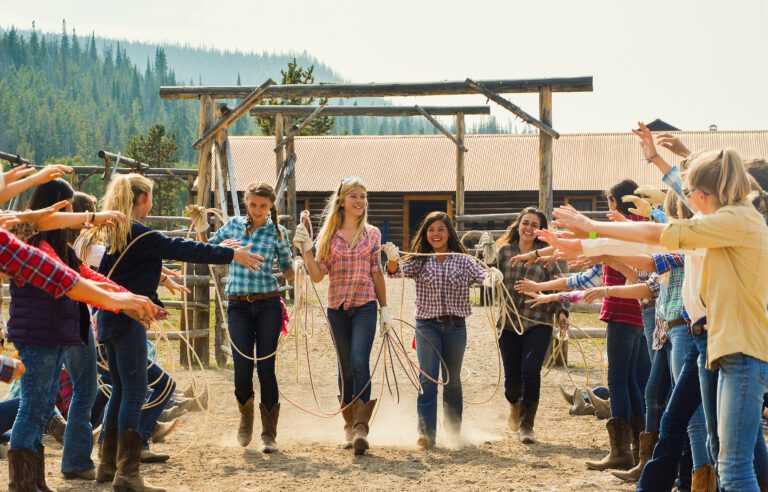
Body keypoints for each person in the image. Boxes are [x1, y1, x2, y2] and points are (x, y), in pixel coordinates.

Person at [543, 146, 768, 491]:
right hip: (722, 345)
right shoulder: (724, 223)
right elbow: (655, 243)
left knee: (735, 466)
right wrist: (588, 242)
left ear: (708, 194)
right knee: (721, 452)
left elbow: (657, 236)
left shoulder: (734, 221)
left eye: (692, 193)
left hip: (736, 348)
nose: (687, 200)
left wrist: (589, 229)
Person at [81, 173, 263, 491]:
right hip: (126, 322)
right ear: (141, 200)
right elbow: (183, 248)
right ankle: (127, 473)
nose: (151, 203)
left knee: (122, 392)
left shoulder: (118, 234)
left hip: (111, 320)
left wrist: (151, 300)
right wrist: (230, 254)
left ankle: (108, 466)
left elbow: (128, 276)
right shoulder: (140, 234)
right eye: (149, 197)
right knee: (135, 393)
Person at [383, 212, 500, 448]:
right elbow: (394, 272)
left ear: (449, 233)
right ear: (426, 234)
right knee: (427, 378)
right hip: (427, 326)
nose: (436, 234)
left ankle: (453, 431)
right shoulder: (420, 260)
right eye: (431, 230)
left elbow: (482, 276)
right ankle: (427, 433)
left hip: (456, 326)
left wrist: (492, 274)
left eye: (440, 229)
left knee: (452, 380)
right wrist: (393, 259)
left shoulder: (463, 260)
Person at [294, 176, 390, 456]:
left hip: (365, 306)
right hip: (337, 308)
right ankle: (348, 423)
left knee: (360, 360)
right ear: (342, 200)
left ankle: (361, 426)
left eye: (362, 196)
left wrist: (385, 309)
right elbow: (317, 275)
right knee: (345, 365)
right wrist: (306, 249)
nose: (360, 201)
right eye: (354, 196)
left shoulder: (372, 234)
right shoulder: (329, 235)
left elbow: (376, 271)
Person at [209, 182, 294, 453]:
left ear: (270, 207)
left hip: (268, 303)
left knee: (266, 367)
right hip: (238, 305)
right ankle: (246, 418)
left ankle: (269, 433)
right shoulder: (233, 226)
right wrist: (216, 240)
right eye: (253, 204)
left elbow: (288, 271)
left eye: (263, 206)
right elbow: (206, 248)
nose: (258, 210)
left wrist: (303, 256)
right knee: (242, 366)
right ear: (247, 202)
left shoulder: (278, 232)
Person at [494, 206, 568, 444]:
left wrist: (562, 312)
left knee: (530, 370)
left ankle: (528, 425)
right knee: (512, 380)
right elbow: (489, 277)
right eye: (525, 223)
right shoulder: (503, 252)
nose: (529, 228)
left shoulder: (545, 255)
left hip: (539, 321)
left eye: (534, 225)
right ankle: (514, 404)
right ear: (518, 225)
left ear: (540, 230)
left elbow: (557, 285)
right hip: (509, 323)